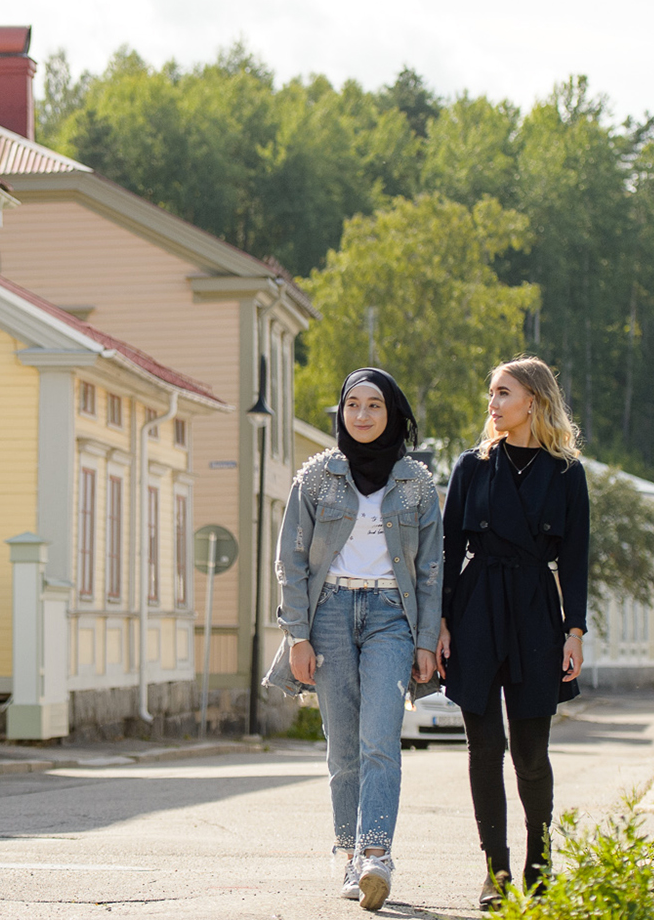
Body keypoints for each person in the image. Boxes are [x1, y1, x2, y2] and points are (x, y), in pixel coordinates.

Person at [274, 368, 442, 911]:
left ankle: (377, 855)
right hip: (328, 616)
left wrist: (424, 639)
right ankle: (347, 853)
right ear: (341, 413)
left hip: (392, 615)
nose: (363, 415)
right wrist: (297, 634)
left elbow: (432, 570)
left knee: (379, 738)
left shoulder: (416, 484)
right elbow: (291, 561)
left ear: (393, 413)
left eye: (375, 405)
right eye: (353, 405)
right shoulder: (317, 478)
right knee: (342, 745)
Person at [437, 356, 589, 908]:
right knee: (484, 748)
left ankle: (540, 866)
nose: (493, 404)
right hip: (477, 608)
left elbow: (575, 557)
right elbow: (450, 551)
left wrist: (575, 630)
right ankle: (495, 873)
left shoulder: (567, 472)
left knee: (530, 753)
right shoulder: (471, 467)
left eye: (504, 393)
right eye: (492, 394)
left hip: (534, 611)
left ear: (534, 400)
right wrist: (443, 622)